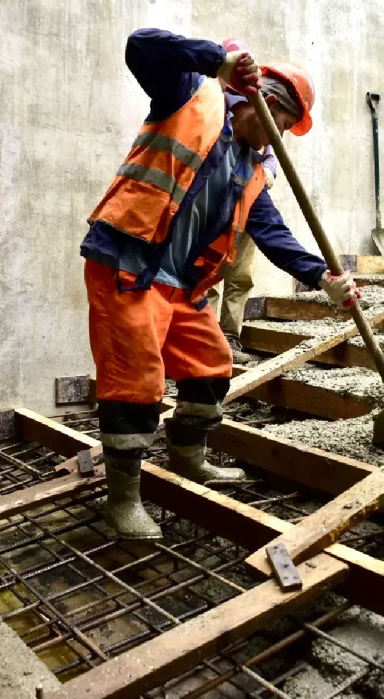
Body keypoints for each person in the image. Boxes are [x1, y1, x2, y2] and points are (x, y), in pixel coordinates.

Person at [80, 28, 361, 541]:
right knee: (136, 384)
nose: (283, 136)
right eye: (286, 123)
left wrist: (323, 279)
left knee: (212, 367)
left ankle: (189, 458)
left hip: (181, 286)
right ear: (263, 103)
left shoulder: (252, 169)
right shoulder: (190, 96)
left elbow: (273, 234)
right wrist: (219, 61)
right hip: (129, 265)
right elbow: (141, 45)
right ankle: (122, 502)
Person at [207, 144, 278, 365]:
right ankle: (204, 341)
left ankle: (229, 339)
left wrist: (268, 168)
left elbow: (270, 155)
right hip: (215, 202)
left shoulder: (266, 126)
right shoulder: (231, 114)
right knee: (205, 274)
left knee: (240, 276)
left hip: (248, 204)